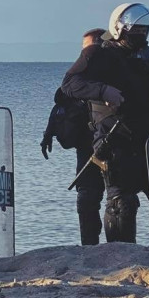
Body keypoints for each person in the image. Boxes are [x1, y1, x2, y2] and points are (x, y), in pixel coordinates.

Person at [61, 5, 149, 243]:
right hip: (117, 141)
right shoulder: (98, 54)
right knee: (122, 203)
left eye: (145, 30)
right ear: (119, 29)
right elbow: (70, 84)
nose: (141, 35)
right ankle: (120, 258)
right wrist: (102, 90)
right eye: (136, 30)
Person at [41, 29, 106, 245]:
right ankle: (90, 246)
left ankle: (120, 245)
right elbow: (61, 101)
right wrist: (48, 132)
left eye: (90, 48)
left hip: (117, 143)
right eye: (85, 50)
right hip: (87, 148)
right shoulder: (76, 80)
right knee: (87, 197)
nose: (86, 54)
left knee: (121, 199)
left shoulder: (115, 70)